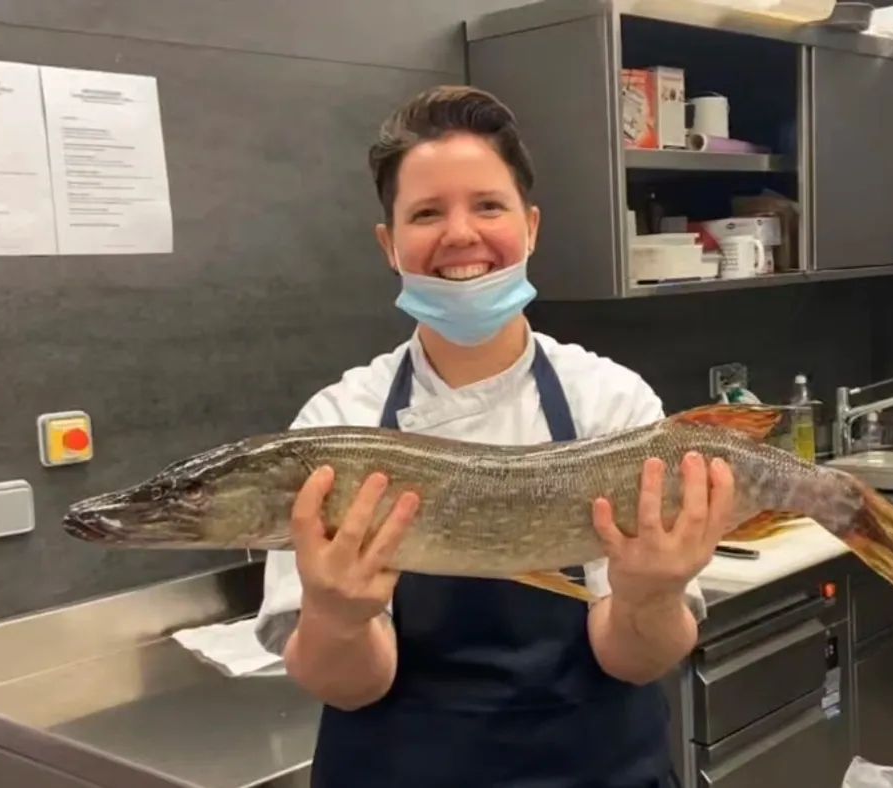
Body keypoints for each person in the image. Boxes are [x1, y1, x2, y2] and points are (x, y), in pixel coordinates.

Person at [255, 85, 735, 788]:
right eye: (425, 213)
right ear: (389, 245)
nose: (460, 234)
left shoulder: (610, 402)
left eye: (488, 205)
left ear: (531, 226)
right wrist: (336, 615)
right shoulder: (337, 424)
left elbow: (635, 658)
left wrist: (649, 597)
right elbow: (351, 685)